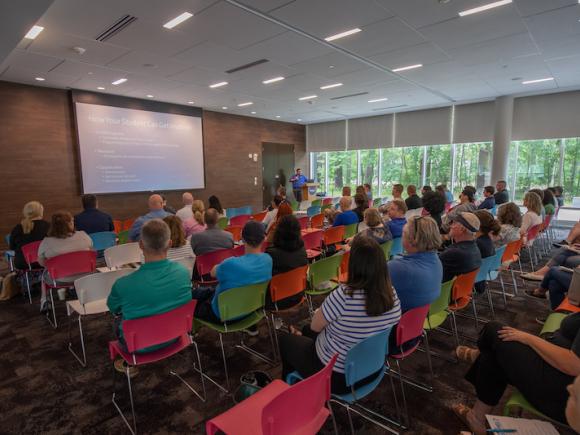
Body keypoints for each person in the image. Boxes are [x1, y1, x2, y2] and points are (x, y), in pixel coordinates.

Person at [278, 236, 401, 394]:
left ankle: (289, 393)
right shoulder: (391, 293)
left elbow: (315, 326)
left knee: (287, 340)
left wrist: (322, 315)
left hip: (338, 377)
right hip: (373, 369)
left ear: (354, 263)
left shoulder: (344, 295)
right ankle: (300, 337)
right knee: (308, 332)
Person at [452, 315, 580, 434]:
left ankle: (477, 356)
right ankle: (476, 419)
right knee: (495, 351)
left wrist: (528, 338)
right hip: (557, 371)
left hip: (562, 393)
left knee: (494, 330)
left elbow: (573, 365)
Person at [107, 219, 192, 371]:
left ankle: (129, 363)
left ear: (140, 245)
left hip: (139, 346)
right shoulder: (184, 273)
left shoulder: (123, 284)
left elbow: (113, 308)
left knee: (118, 317)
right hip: (177, 335)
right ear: (170, 243)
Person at [192, 221, 272, 323]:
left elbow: (213, 273)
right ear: (263, 238)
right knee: (206, 291)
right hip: (250, 309)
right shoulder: (268, 260)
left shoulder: (231, 263)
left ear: (242, 239)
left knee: (192, 301)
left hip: (222, 314)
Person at [37, 211, 93, 311]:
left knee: (44, 273)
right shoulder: (83, 236)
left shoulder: (46, 242)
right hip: (85, 275)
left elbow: (42, 263)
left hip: (60, 279)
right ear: (70, 223)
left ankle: (44, 301)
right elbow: (91, 251)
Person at [389, 216, 442, 312]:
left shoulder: (398, 268)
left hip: (393, 322)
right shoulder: (436, 260)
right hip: (416, 322)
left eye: (403, 234)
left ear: (412, 240)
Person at [265, 214, 308, 308]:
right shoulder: (302, 250)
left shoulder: (271, 253)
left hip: (276, 301)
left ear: (278, 231)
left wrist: (269, 240)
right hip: (298, 294)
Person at [439, 212, 482, 283]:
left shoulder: (454, 252)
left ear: (462, 229)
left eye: (454, 223)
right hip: (458, 290)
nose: (451, 226)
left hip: (439, 291)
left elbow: (431, 268)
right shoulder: (474, 248)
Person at [9, 201, 50, 270]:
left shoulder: (17, 228)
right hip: (45, 261)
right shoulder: (49, 226)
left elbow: (12, 247)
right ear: (41, 212)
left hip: (23, 263)